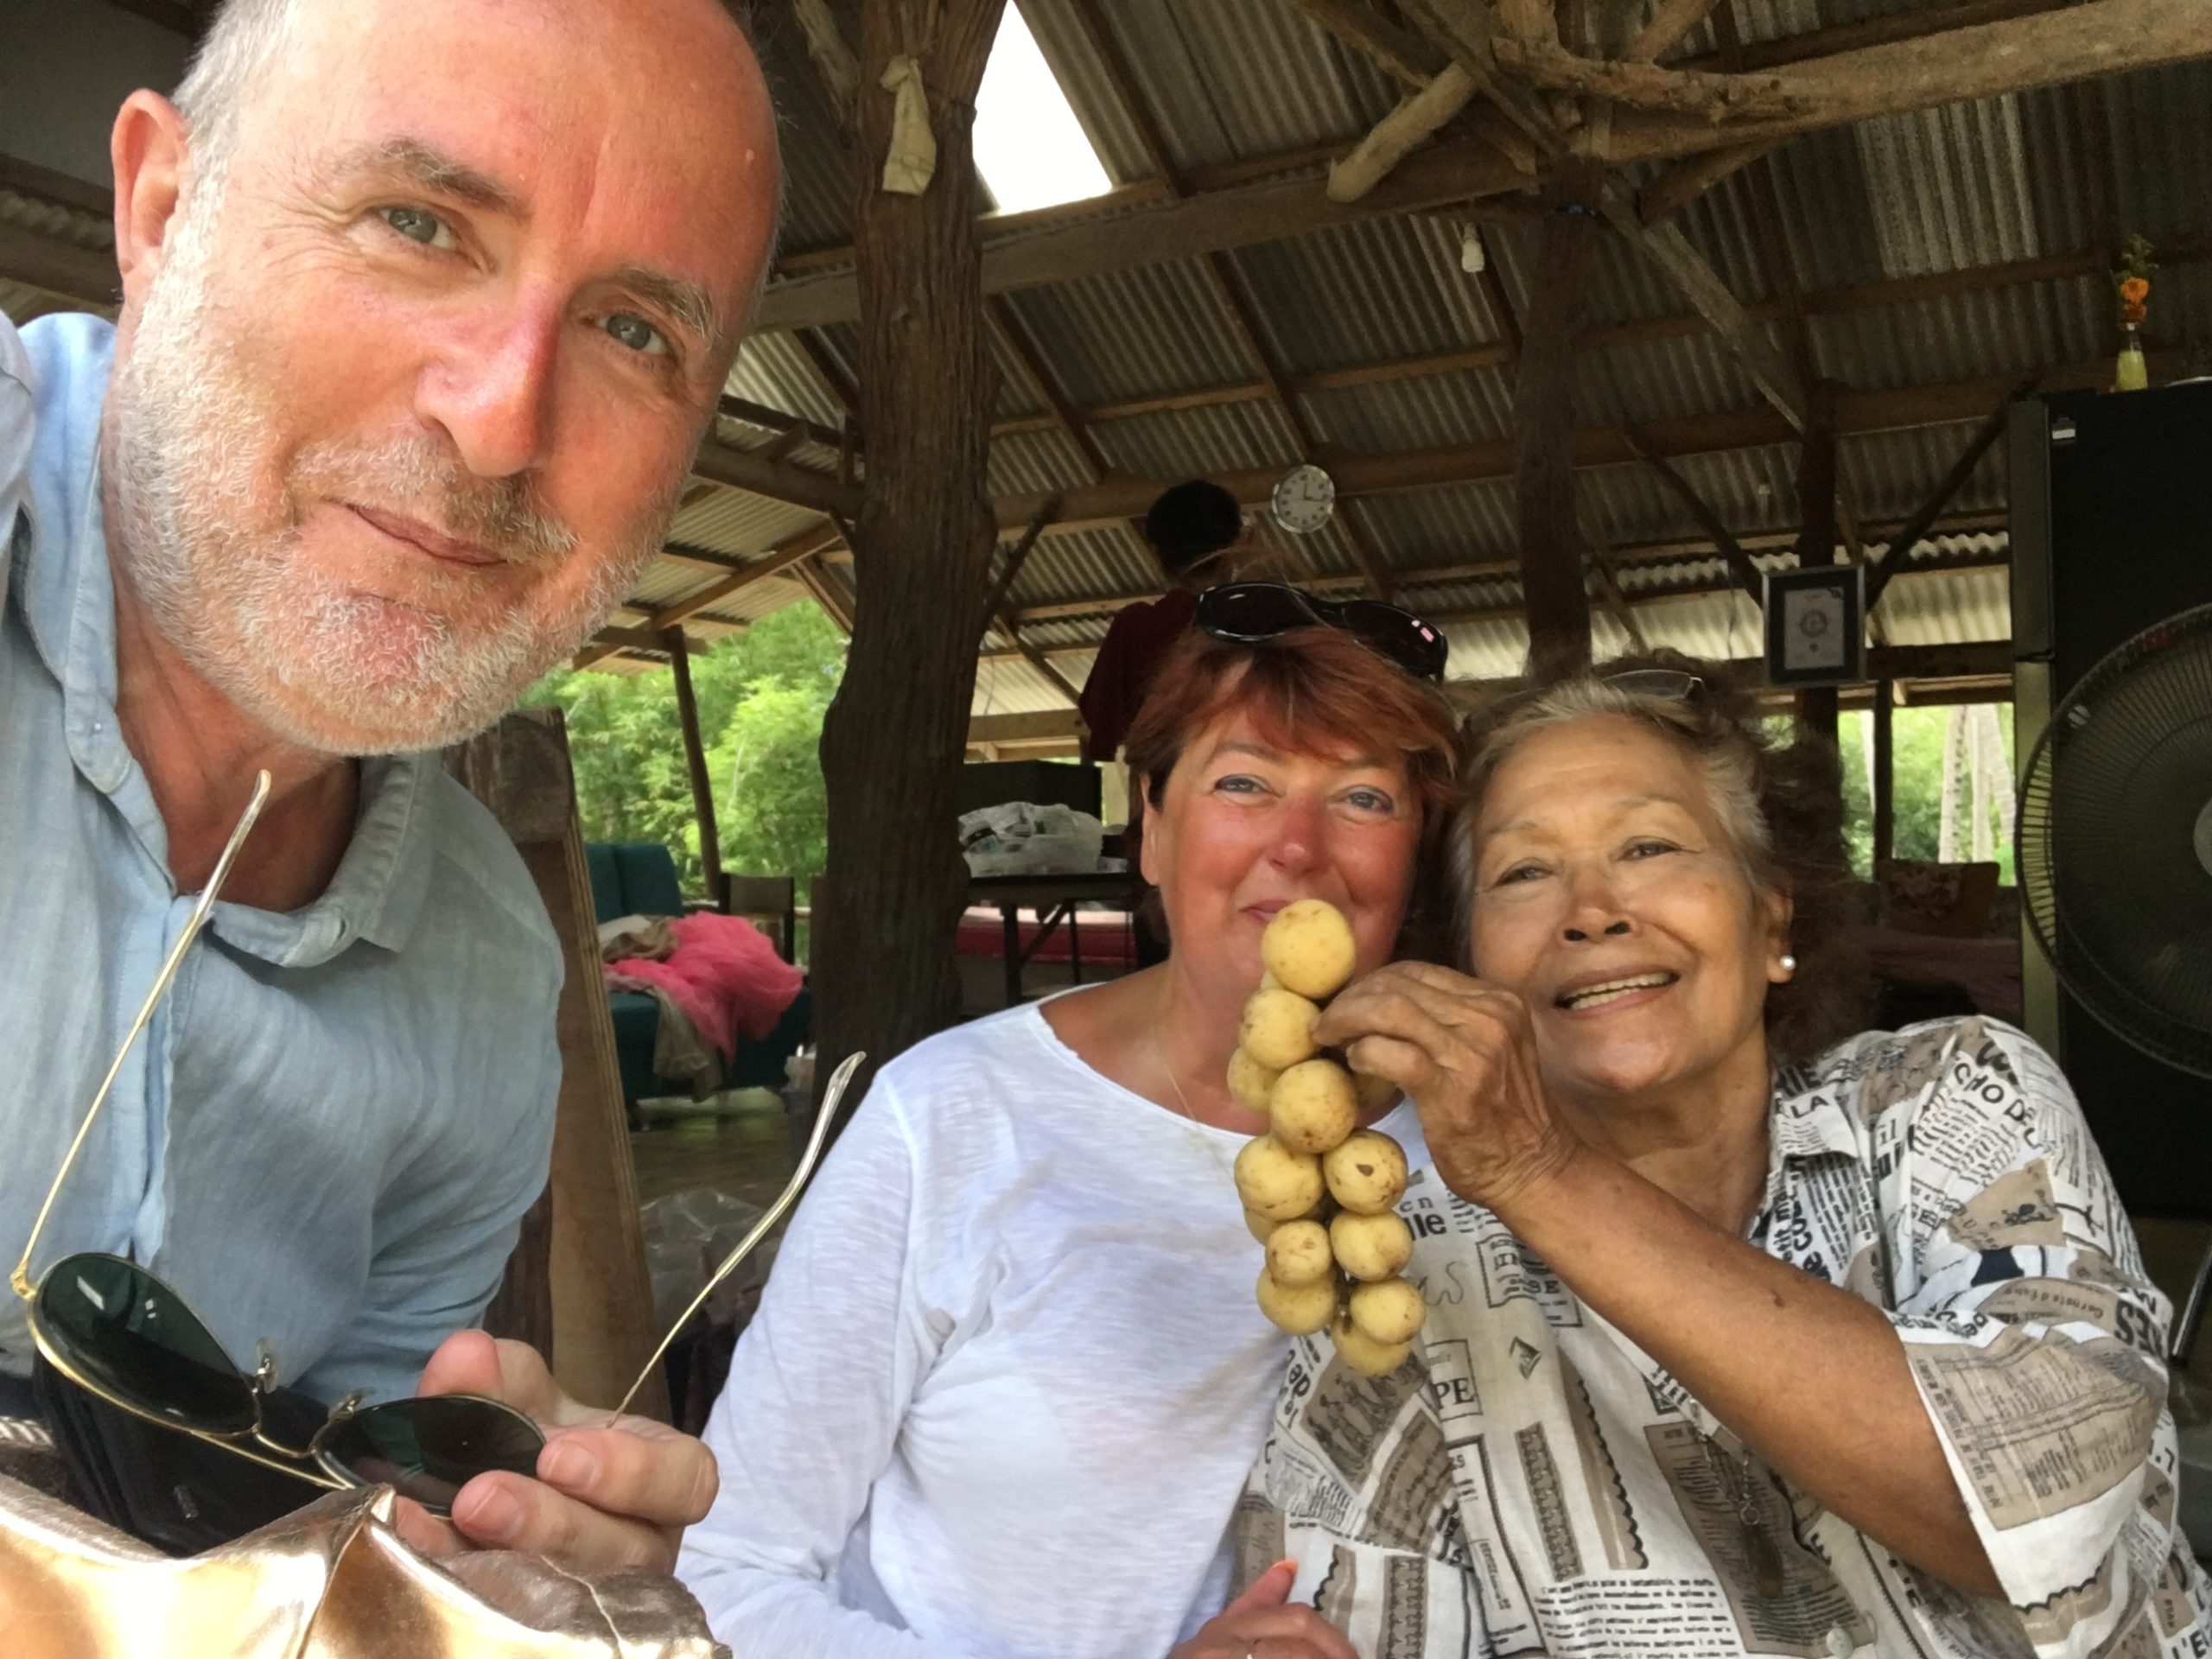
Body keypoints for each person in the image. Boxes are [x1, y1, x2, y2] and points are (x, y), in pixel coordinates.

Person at [0, 0, 779, 1572]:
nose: (500, 422)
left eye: (636, 331)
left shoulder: (483, 979)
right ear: (160, 210)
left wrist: (436, 1569)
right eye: (418, 224)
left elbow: (292, 1554)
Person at [1241, 652, 2212, 1657]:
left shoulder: (1944, 1097)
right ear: (1470, 966)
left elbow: (2045, 1525)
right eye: (1524, 871)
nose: (1591, 908)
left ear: (1770, 921)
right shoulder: (1406, 1273)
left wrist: (1538, 1172)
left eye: (1650, 847)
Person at [677, 592, 1459, 1658]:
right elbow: (727, 1574)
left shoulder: (1480, 1141)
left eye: (1364, 798)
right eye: (1243, 783)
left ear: (1417, 854)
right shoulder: (951, 1116)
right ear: (1153, 826)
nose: (1299, 848)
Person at [1077, 479, 1248, 768]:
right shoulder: (1261, 619)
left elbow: (1100, 727)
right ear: (1236, 545)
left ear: (1157, 554)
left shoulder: (1134, 627)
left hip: (1162, 796)